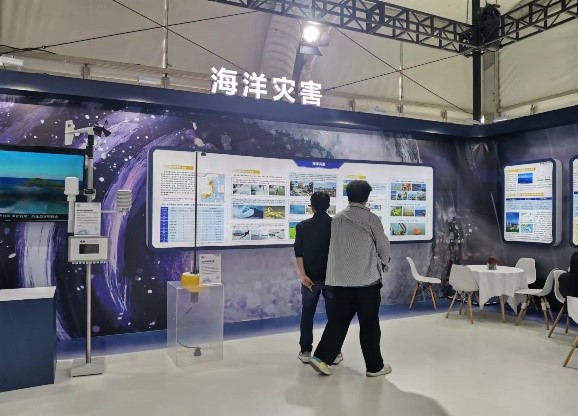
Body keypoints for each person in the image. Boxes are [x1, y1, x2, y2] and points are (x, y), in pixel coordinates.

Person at [309, 180, 391, 377]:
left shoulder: (337, 218)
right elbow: (383, 246)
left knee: (338, 320)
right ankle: (374, 367)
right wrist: (385, 262)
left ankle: (321, 359)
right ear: (366, 198)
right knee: (369, 324)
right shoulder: (371, 218)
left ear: (348, 196)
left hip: (341, 282)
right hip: (367, 281)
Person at [294, 191, 342, 365]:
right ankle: (334, 352)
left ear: (311, 206)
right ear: (328, 206)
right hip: (332, 279)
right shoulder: (337, 225)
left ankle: (306, 350)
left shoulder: (302, 226)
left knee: (307, 314)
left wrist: (303, 275)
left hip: (309, 279)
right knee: (334, 317)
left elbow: (298, 253)